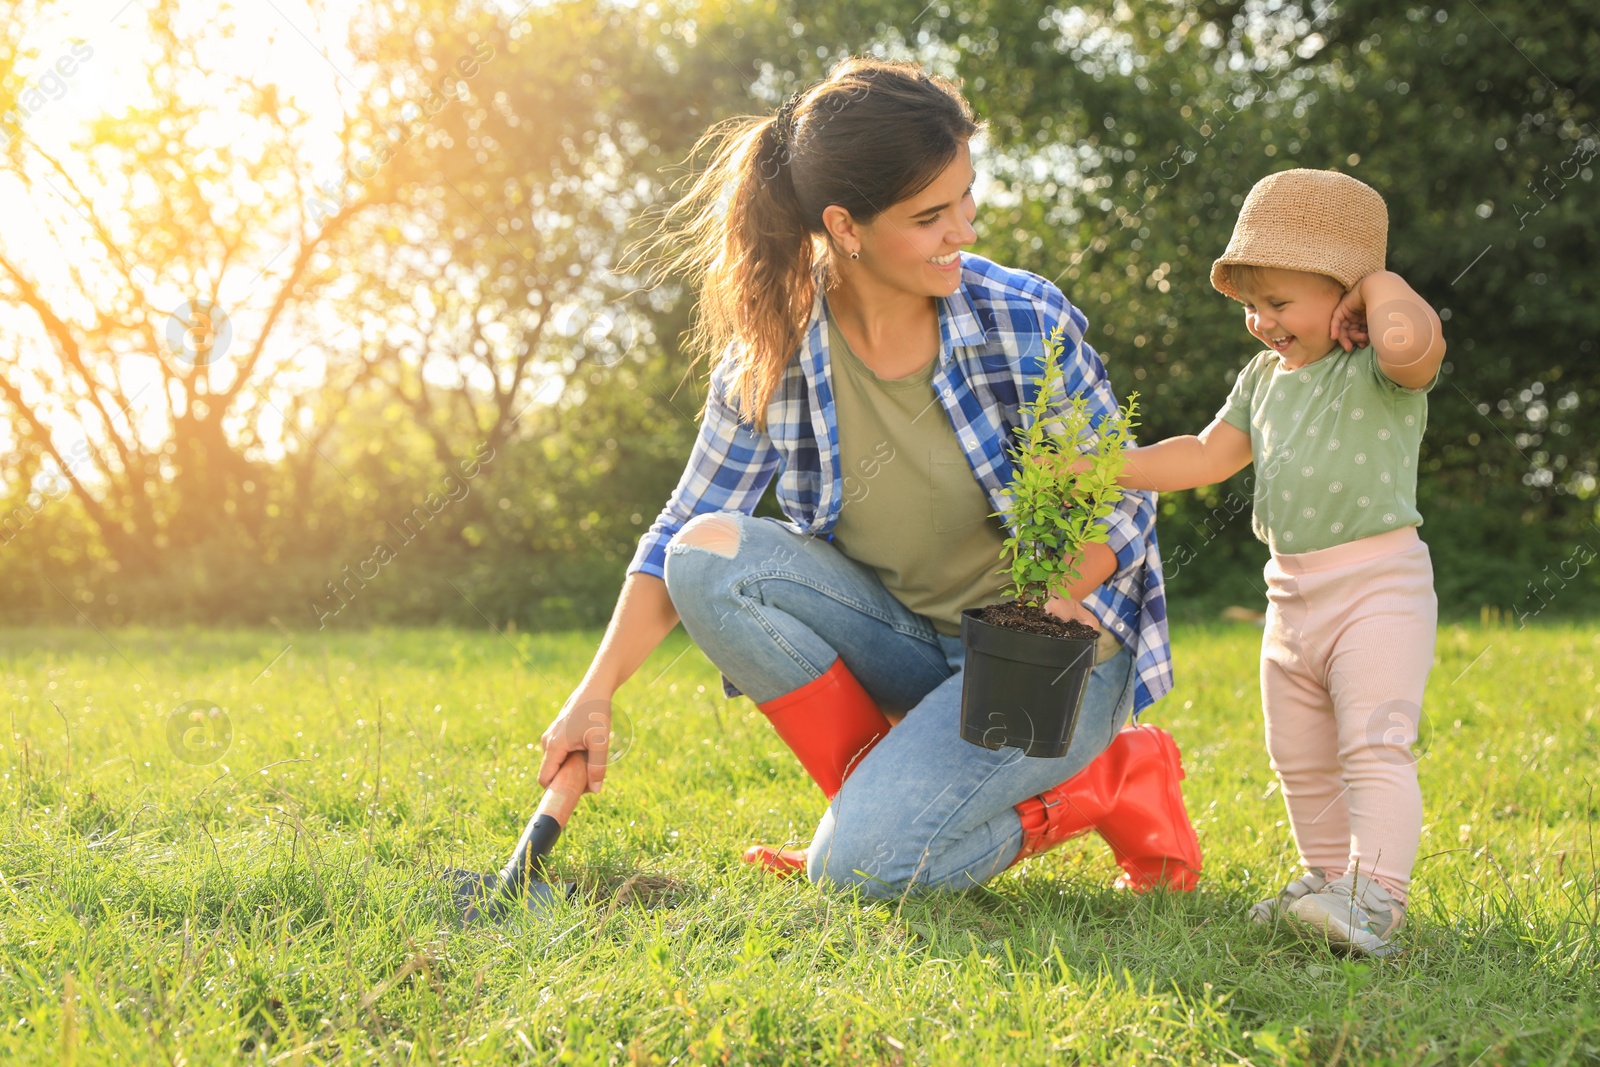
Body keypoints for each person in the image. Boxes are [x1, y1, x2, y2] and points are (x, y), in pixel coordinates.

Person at [536, 57, 1200, 897]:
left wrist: (1066, 583)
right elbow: (683, 526)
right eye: (930, 216)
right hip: (908, 640)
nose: (962, 228)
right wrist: (593, 693)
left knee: (858, 876)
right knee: (704, 557)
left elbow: (1125, 495)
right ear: (845, 226)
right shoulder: (774, 352)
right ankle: (869, 806)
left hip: (1049, 664)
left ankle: (1103, 780)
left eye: (966, 195)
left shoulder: (1020, 319)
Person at [1117, 168, 1445, 954]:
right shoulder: (1263, 378)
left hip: (1379, 588)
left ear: (1349, 294)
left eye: (1280, 302)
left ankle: (1378, 897)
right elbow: (1201, 455)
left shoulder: (1377, 371)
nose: (1262, 322)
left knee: (1373, 742)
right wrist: (1104, 466)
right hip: (1290, 595)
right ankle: (1330, 875)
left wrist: (1381, 282)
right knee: (1297, 753)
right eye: (1252, 306)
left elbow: (1415, 344)